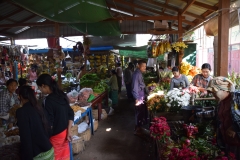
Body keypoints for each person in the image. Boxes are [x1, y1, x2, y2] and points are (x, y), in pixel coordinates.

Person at [36, 73, 74, 160]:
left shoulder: (48, 101)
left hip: (56, 136)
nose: (40, 90)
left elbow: (49, 123)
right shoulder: (62, 95)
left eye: (40, 88)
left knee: (55, 157)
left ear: (43, 86)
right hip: (65, 133)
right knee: (64, 157)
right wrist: (69, 131)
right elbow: (70, 113)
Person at [206, 77, 240, 159]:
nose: (213, 95)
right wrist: (197, 115)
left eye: (215, 92)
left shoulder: (237, 97)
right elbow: (216, 114)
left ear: (224, 89)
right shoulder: (222, 102)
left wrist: (234, 128)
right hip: (228, 142)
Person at [16, 86, 54, 160]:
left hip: (38, 155)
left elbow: (25, 138)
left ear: (20, 97)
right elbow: (49, 129)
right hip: (49, 151)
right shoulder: (40, 108)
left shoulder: (22, 111)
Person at [132, 60, 148, 135]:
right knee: (138, 112)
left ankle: (139, 128)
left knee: (141, 112)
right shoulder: (136, 74)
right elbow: (134, 87)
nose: (144, 68)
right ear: (138, 66)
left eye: (145, 66)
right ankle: (137, 130)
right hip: (139, 96)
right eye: (143, 66)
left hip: (141, 95)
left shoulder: (139, 73)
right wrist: (136, 98)